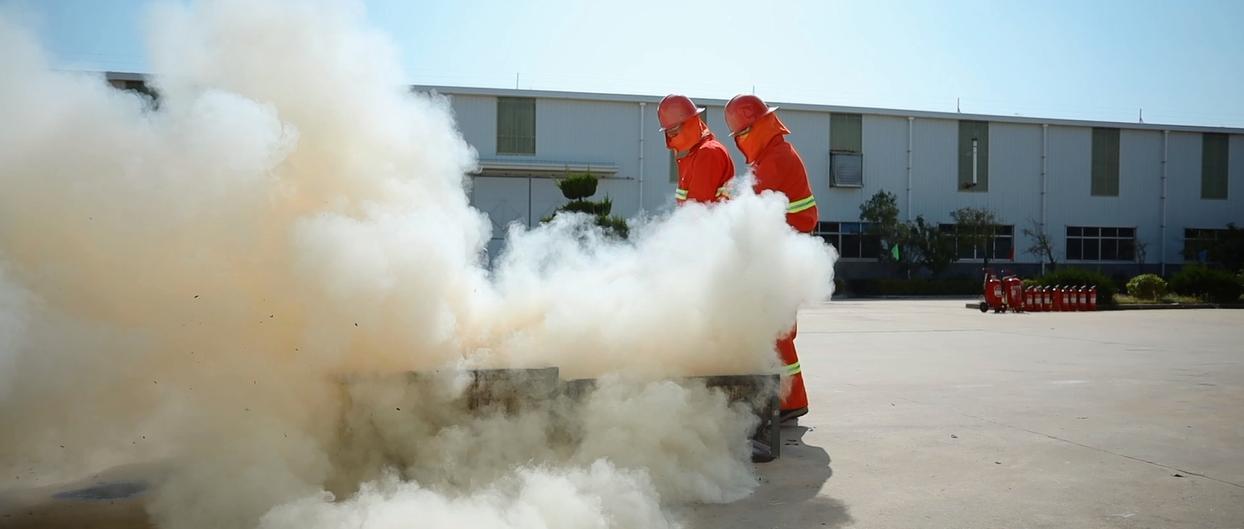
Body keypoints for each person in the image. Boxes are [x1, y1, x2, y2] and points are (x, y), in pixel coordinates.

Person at [724, 94, 818, 423]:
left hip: (780, 259)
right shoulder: (773, 156)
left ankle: (789, 402)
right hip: (781, 256)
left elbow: (755, 215)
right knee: (777, 332)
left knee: (777, 332)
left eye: (740, 134)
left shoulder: (775, 159)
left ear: (755, 129)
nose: (738, 142)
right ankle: (786, 400)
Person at [657, 94, 734, 204]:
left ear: (690, 124)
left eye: (673, 131)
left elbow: (700, 205)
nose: (671, 137)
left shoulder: (708, 152)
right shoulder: (692, 155)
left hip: (711, 215)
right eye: (668, 132)